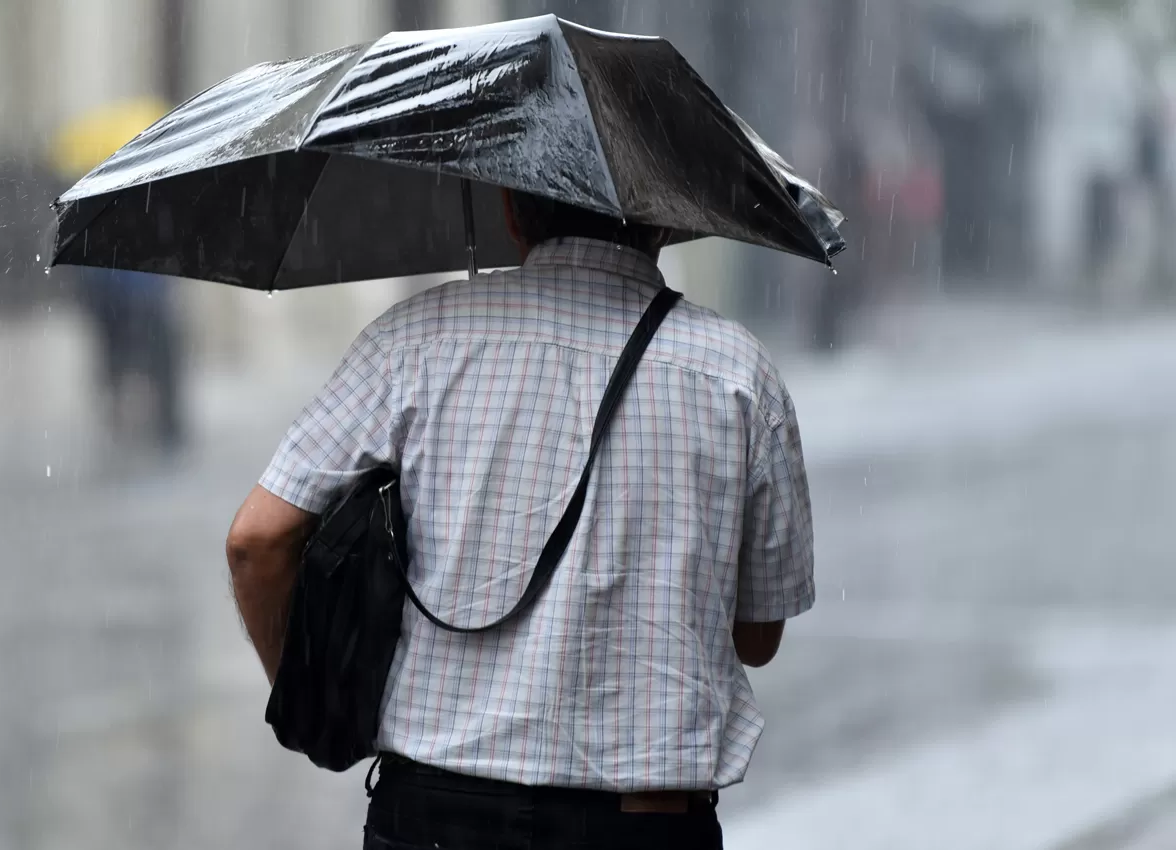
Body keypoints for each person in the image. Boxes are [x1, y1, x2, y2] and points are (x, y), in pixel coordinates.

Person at [225, 189, 815, 850]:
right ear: (661, 220)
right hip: (641, 822)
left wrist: (310, 693)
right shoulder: (738, 374)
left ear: (510, 212)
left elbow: (256, 539)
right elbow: (758, 637)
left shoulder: (413, 340)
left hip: (433, 814)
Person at [76, 264, 184, 451]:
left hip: (133, 304)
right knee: (126, 370)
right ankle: (137, 425)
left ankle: (156, 424)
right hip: (124, 306)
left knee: (142, 369)